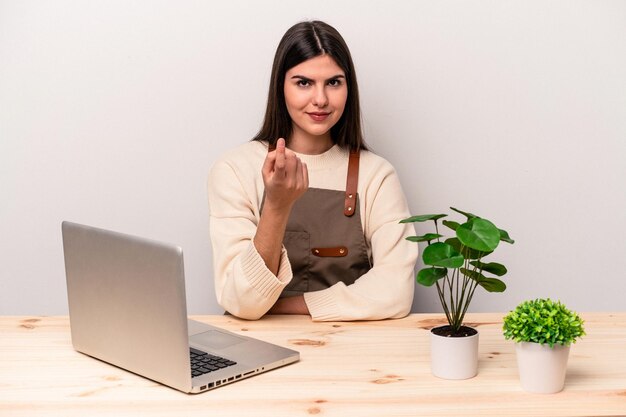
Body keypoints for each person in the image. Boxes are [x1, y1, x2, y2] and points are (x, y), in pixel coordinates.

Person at [207, 20, 417, 321]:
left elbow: (395, 292)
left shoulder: (376, 176)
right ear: (281, 87)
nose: (320, 99)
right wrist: (277, 207)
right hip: (260, 352)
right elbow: (241, 302)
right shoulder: (234, 170)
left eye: (333, 82)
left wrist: (286, 307)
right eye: (303, 82)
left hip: (359, 351)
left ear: (349, 87)